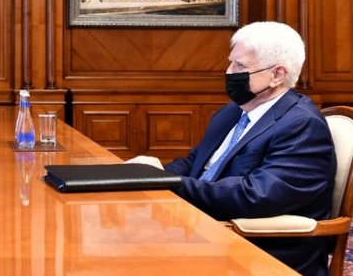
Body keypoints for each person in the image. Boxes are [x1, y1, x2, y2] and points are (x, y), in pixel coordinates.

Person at [127, 21, 336, 276]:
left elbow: (256, 196)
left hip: (261, 253)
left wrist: (166, 182)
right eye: (230, 63)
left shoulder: (302, 125)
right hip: (208, 230)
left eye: (239, 66)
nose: (228, 73)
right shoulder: (232, 112)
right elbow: (195, 162)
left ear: (278, 75)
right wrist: (148, 174)